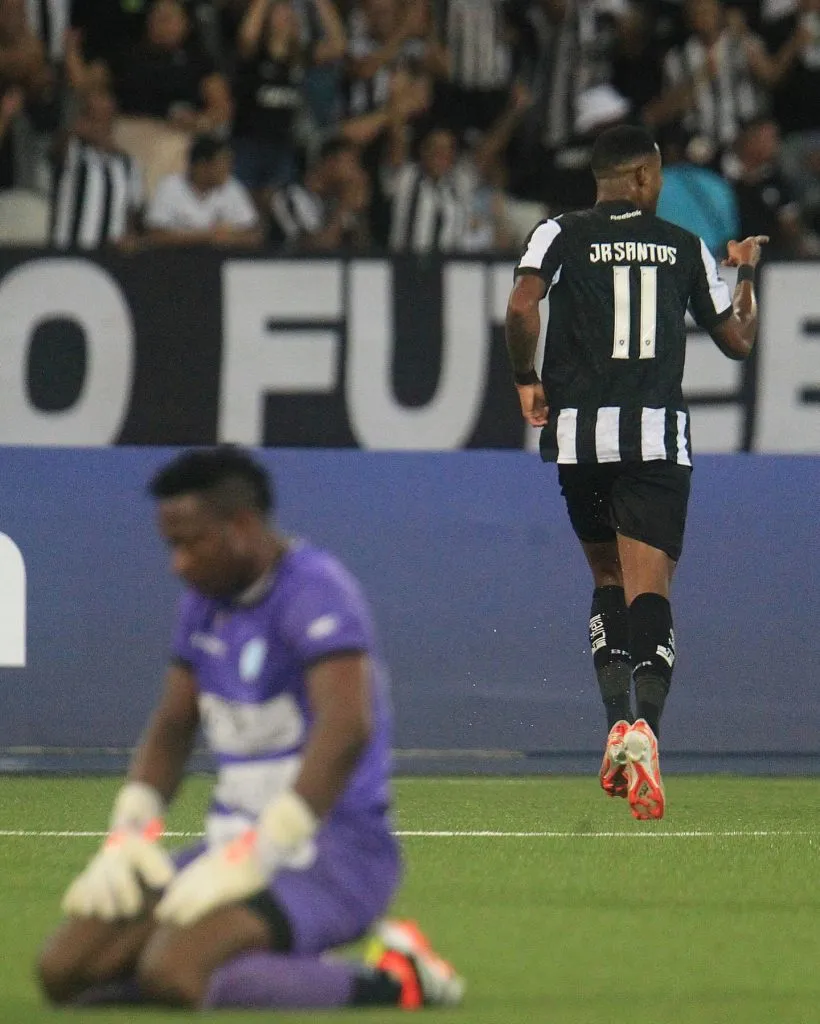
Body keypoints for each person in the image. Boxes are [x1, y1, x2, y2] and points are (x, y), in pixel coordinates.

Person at [36, 447, 464, 1011]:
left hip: (331, 854)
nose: (178, 564)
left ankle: (396, 979)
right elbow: (172, 727)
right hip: (231, 848)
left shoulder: (313, 589)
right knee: (65, 971)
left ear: (240, 526)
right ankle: (262, 968)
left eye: (190, 543)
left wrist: (265, 849)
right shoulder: (203, 603)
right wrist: (130, 832)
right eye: (171, 546)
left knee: (174, 973)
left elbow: (347, 727)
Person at [504, 125, 766, 820]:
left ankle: (615, 723)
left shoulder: (556, 232)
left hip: (579, 438)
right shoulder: (682, 246)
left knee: (607, 582)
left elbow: (521, 307)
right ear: (648, 179)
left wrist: (527, 380)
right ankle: (646, 732)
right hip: (653, 441)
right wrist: (743, 272)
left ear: (601, 177)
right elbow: (738, 340)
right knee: (650, 590)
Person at [144, 132, 263, 247]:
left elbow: (254, 235)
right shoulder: (170, 186)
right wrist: (207, 236)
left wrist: (232, 238)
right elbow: (155, 236)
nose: (228, 169)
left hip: (220, 261)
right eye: (223, 163)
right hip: (174, 261)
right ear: (202, 165)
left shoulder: (232, 187)